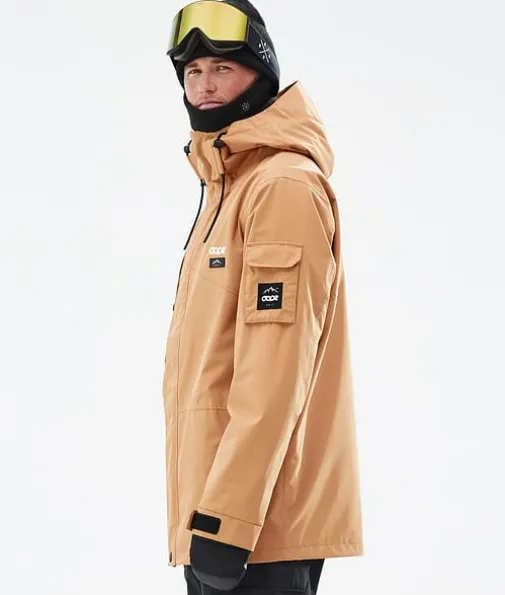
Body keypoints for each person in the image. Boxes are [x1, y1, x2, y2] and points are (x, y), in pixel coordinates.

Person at [162, 1, 363, 593]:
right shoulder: (229, 186)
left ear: (261, 76)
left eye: (222, 68)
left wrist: (227, 521)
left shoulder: (281, 188)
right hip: (221, 513)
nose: (204, 86)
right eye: (193, 72)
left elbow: (274, 372)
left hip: (255, 526)